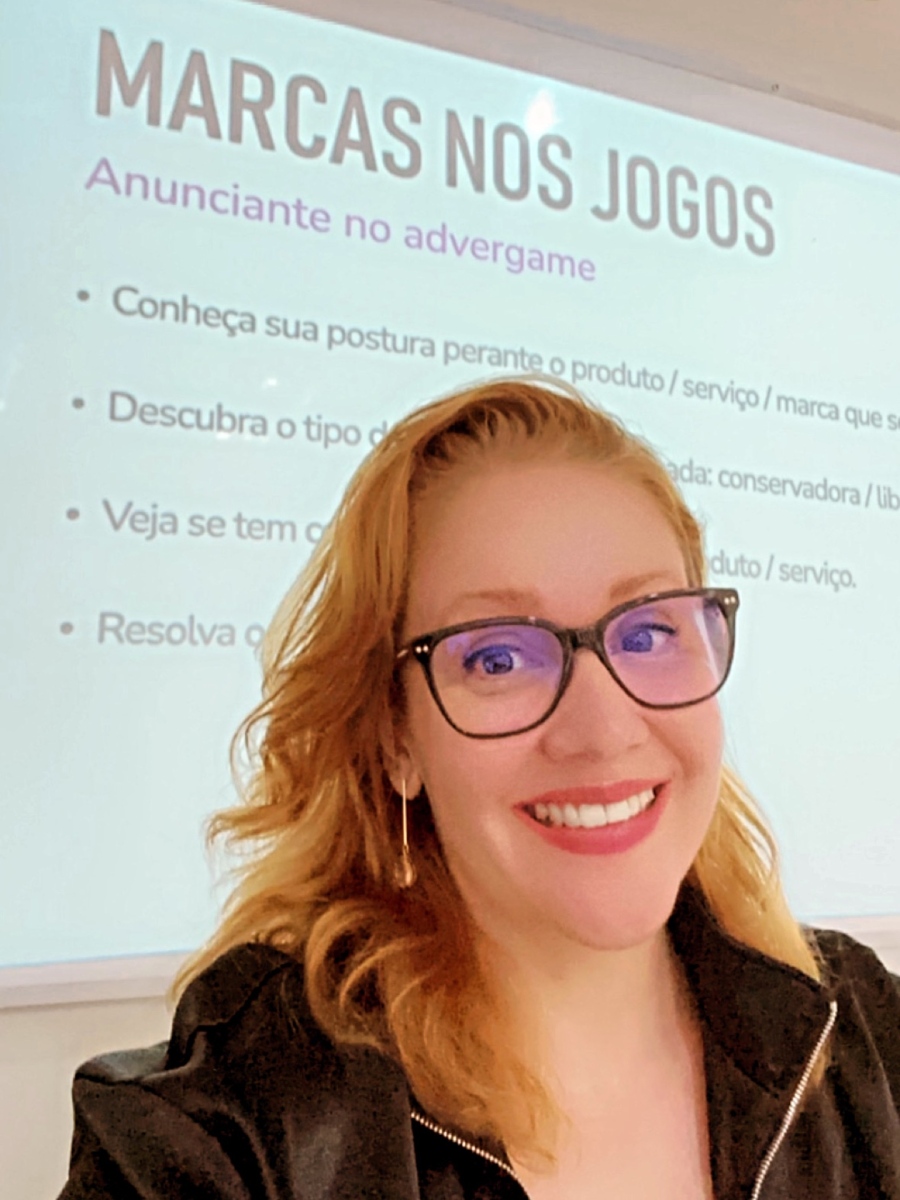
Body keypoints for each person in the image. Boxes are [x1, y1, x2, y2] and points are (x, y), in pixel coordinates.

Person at [60, 380, 900, 1199]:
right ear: (395, 738)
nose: (603, 729)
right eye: (497, 658)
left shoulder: (866, 1032)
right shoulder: (228, 1131)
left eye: (649, 631)